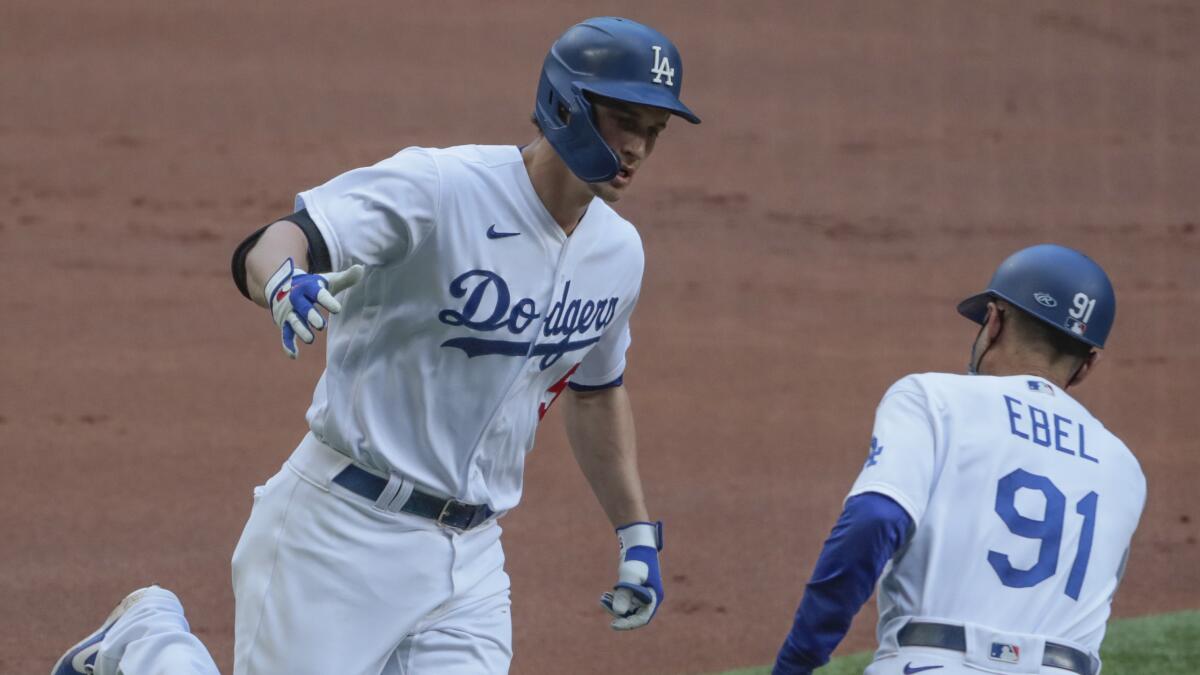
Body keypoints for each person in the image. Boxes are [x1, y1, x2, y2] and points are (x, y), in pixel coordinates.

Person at [53, 15, 699, 675]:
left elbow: (594, 392)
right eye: (624, 119)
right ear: (567, 103)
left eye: (653, 131)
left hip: (470, 560)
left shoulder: (618, 254)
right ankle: (147, 638)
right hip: (338, 535)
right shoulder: (443, 189)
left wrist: (636, 531)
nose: (638, 149)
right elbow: (283, 237)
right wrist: (282, 283)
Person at [772, 244, 1145, 675]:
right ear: (1087, 364)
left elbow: (873, 519)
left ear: (994, 320)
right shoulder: (1124, 468)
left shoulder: (933, 399)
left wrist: (797, 661)